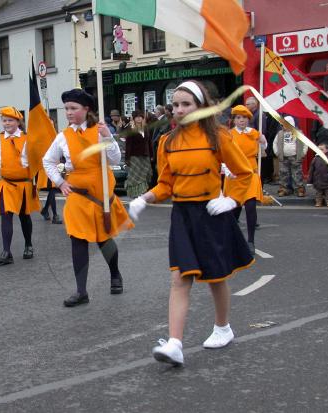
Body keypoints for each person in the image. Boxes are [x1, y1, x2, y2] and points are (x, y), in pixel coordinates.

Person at [128, 80, 254, 366]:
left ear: (201, 107)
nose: (179, 110)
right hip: (182, 215)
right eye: (175, 105)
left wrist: (232, 200)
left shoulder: (218, 137)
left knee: (215, 278)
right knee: (179, 277)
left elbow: (244, 173)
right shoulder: (167, 142)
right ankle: (175, 343)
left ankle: (223, 328)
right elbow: (166, 185)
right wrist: (144, 198)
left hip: (211, 212)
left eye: (186, 104)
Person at [43, 89, 133, 307]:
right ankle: (81, 291)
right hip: (77, 195)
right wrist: (61, 182)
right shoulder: (63, 136)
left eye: (73, 108)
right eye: (66, 109)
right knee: (78, 240)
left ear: (86, 109)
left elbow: (115, 158)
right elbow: (48, 161)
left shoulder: (100, 130)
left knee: (104, 239)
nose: (69, 112)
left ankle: (115, 275)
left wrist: (108, 137)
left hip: (100, 194)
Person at [0, 107, 40, 265]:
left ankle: (28, 245)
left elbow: (36, 156)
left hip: (24, 184)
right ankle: (7, 252)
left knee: (25, 217)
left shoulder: (27, 138)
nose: (6, 123)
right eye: (4, 120)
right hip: (6, 183)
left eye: (10, 120)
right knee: (6, 217)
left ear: (18, 122)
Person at [224, 105, 267, 255]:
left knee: (250, 206)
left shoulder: (254, 132)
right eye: (238, 118)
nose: (241, 120)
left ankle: (251, 241)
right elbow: (224, 155)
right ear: (234, 120)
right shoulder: (228, 135)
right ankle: (230, 238)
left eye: (244, 118)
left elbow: (264, 146)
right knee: (234, 210)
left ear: (248, 120)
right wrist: (228, 172)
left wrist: (262, 140)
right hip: (235, 174)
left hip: (251, 173)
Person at [273, 116, 308, 197]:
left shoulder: (298, 133)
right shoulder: (280, 133)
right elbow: (275, 143)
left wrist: (303, 153)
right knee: (283, 174)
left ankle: (299, 189)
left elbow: (305, 143)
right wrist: (277, 152)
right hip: (283, 157)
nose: (283, 126)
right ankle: (284, 189)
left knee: (297, 174)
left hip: (295, 157)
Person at [124, 110, 153, 198]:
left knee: (146, 174)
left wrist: (151, 155)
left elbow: (149, 142)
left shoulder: (146, 127)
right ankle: (135, 193)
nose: (139, 118)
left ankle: (143, 191)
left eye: (141, 117)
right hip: (134, 155)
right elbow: (128, 144)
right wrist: (127, 158)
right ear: (134, 118)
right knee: (135, 175)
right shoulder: (130, 128)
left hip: (145, 155)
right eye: (137, 117)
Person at [307, 143, 328, 207]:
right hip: (317, 180)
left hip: (327, 180)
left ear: (327, 150)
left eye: (322, 149)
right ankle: (318, 202)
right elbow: (311, 170)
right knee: (318, 193)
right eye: (318, 149)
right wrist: (309, 181)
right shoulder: (315, 158)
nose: (319, 150)